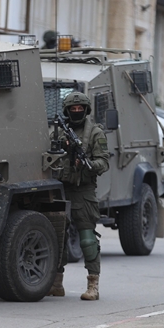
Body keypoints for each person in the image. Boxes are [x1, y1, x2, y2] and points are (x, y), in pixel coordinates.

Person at [47, 91, 110, 300]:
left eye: (79, 109)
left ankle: (93, 285)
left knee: (87, 239)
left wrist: (88, 164)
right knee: (57, 237)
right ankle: (56, 283)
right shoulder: (57, 132)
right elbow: (47, 155)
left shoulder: (95, 133)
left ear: (86, 110)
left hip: (83, 189)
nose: (76, 112)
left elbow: (104, 162)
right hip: (60, 188)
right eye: (72, 109)